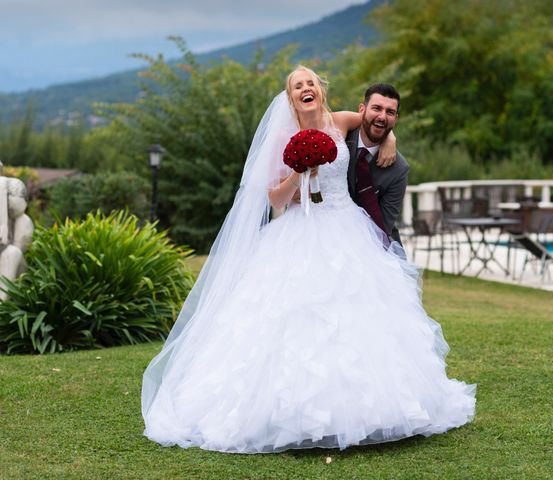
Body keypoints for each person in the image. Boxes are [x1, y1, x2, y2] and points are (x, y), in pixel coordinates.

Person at [141, 66, 476, 454]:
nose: (305, 88)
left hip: (346, 226)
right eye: (297, 85)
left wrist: (390, 142)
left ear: (320, 90)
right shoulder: (282, 139)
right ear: (290, 97)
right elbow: (274, 200)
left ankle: (371, 409)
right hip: (299, 231)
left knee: (360, 317)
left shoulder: (340, 122)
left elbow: (372, 123)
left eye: (311, 83)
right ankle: (290, 414)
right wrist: (300, 172)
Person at [346, 84, 408, 244]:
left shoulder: (399, 169)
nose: (382, 116)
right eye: (376, 108)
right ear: (362, 109)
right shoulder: (340, 138)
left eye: (390, 112)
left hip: (374, 243)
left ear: (396, 119)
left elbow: (384, 226)